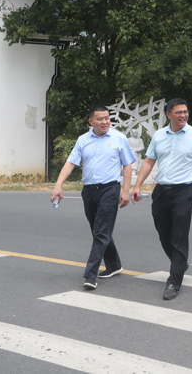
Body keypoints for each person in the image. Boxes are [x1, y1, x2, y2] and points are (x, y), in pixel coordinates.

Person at [131, 98, 192, 300]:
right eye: (179, 112)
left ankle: (174, 281)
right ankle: (180, 262)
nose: (183, 115)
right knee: (163, 233)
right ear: (169, 114)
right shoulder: (159, 135)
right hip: (161, 191)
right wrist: (137, 185)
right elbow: (149, 162)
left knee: (179, 236)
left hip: (183, 191)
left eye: (185, 111)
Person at [51, 105, 136, 290]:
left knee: (100, 232)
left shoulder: (118, 138)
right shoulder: (83, 140)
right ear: (91, 121)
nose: (105, 122)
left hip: (110, 189)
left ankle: (90, 275)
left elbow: (127, 165)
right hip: (89, 191)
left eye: (107, 118)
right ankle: (114, 265)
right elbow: (71, 162)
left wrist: (125, 190)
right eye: (100, 119)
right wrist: (58, 185)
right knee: (99, 230)